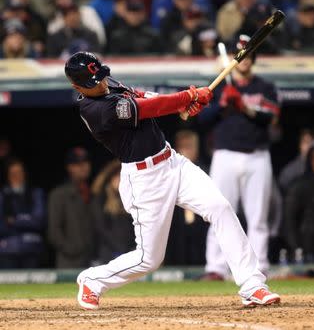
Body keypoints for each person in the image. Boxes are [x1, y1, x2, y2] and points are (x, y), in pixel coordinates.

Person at [64, 51, 280, 310]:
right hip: (144, 179)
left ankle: (252, 285)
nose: (100, 83)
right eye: (92, 82)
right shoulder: (94, 109)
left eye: (99, 77)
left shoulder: (106, 83)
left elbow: (145, 97)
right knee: (149, 259)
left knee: (220, 207)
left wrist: (183, 103)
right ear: (77, 86)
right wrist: (187, 97)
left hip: (172, 162)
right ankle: (93, 279)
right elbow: (146, 108)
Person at [202, 35, 279, 280]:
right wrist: (222, 104)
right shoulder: (219, 85)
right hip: (225, 155)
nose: (244, 61)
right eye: (241, 56)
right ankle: (216, 268)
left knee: (257, 217)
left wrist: (245, 107)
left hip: (257, 156)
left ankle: (259, 266)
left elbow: (270, 115)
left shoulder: (265, 87)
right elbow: (202, 119)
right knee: (219, 211)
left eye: (248, 56)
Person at [165, 130, 209, 265]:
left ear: (196, 148)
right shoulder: (168, 172)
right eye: (181, 146)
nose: (184, 150)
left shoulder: (206, 172)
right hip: (177, 228)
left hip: (202, 227)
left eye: (188, 146)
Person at [48, 147, 97, 268]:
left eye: (85, 162)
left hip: (93, 260)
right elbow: (54, 232)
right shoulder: (58, 194)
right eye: (78, 164)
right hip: (69, 262)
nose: (83, 167)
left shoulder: (94, 193)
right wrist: (72, 249)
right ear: (69, 167)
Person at [0, 158, 45, 268]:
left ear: (24, 174)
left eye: (19, 173)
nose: (16, 176)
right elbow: (2, 225)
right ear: (8, 176)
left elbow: (39, 221)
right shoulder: (2, 196)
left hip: (32, 249)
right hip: (7, 251)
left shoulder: (35, 193)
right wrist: (27, 220)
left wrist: (14, 220)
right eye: (13, 173)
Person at [92, 160, 135, 264]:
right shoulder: (101, 199)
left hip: (129, 252)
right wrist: (119, 247)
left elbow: (134, 229)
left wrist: (129, 249)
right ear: (110, 179)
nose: (119, 180)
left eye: (122, 177)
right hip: (107, 254)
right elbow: (100, 228)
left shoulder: (131, 199)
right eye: (117, 177)